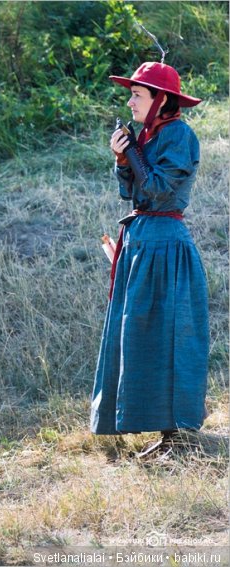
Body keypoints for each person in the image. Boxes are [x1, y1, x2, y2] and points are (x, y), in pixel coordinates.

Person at [91, 62, 209, 458]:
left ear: (161, 100)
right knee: (136, 334)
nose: (130, 101)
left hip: (166, 245)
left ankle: (178, 437)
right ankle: (143, 425)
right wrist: (123, 159)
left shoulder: (181, 136)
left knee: (169, 336)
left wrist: (135, 155)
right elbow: (131, 193)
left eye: (137, 95)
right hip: (140, 241)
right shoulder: (148, 134)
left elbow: (158, 189)